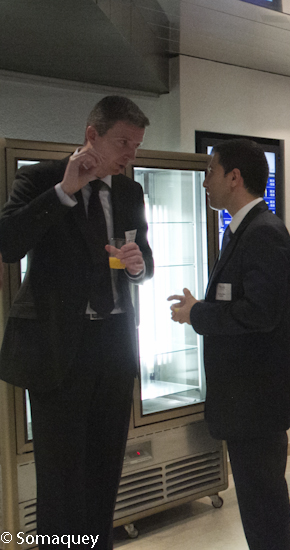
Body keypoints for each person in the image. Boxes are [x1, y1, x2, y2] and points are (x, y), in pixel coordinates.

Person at [0, 95, 153, 549]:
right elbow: (8, 243)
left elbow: (144, 260)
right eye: (123, 143)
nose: (130, 155)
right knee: (61, 479)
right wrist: (64, 192)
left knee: (105, 473)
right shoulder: (40, 179)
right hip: (59, 349)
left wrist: (138, 267)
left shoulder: (128, 192)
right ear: (92, 135)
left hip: (114, 346)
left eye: (136, 146)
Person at [168, 139, 290, 550]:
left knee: (263, 507)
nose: (204, 182)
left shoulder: (263, 233)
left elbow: (261, 313)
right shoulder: (242, 230)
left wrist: (198, 313)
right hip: (247, 400)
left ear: (234, 177)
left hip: (256, 400)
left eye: (210, 172)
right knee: (258, 504)